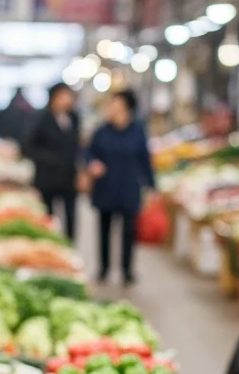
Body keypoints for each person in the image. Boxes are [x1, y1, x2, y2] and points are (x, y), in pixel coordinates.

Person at [84, 89, 155, 285]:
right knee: (104, 230)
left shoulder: (138, 131)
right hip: (106, 187)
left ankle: (127, 270)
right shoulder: (101, 131)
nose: (111, 107)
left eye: (115, 103)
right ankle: (104, 268)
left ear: (126, 107)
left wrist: (151, 186)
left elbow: (145, 160)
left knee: (128, 232)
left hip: (128, 187)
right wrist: (92, 163)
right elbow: (88, 153)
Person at [22, 82, 82, 241]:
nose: (66, 100)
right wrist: (50, 159)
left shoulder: (74, 118)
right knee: (48, 216)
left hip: (68, 176)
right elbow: (29, 147)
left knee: (71, 215)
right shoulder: (41, 119)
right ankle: (49, 242)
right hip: (47, 176)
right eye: (62, 96)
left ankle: (69, 244)